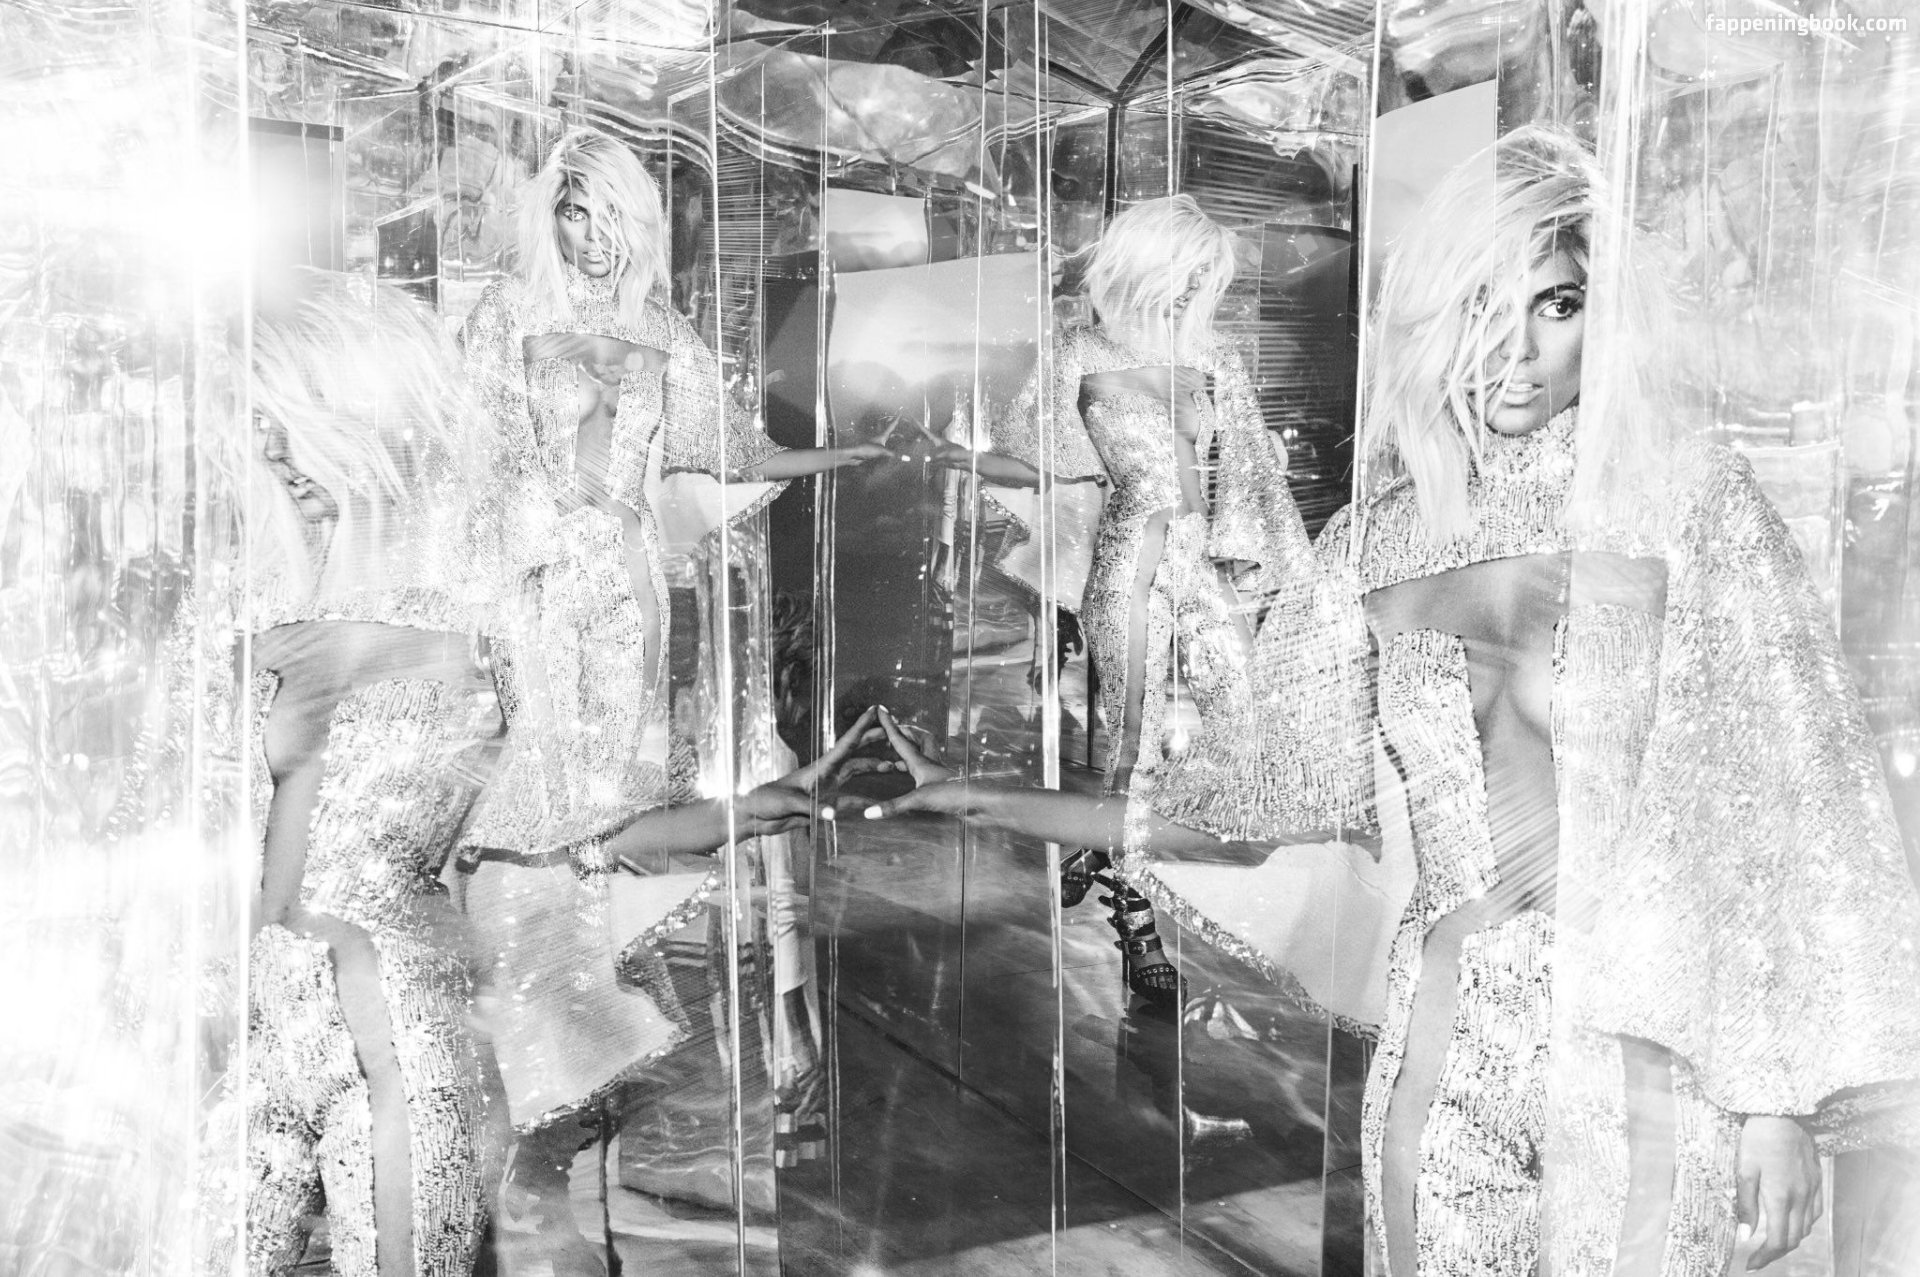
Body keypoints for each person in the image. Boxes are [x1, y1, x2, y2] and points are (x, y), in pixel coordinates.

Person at [871, 127, 1920, 1274]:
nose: (1513, 351)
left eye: (1557, 304)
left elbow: (1784, 802)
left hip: (1649, 1066)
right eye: (1480, 305)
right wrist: (979, 799)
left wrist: (1774, 1099)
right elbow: (1243, 805)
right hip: (1444, 1059)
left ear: (1609, 315)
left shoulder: (1689, 505)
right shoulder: (1377, 540)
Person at [452, 125, 888, 1226]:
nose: (593, 238)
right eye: (575, 213)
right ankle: (543, 1019)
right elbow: (473, 465)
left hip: (637, 590)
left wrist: (841, 457)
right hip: (539, 582)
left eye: (612, 217)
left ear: (640, 225)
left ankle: (602, 1002)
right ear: (550, 215)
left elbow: (727, 450)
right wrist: (493, 581)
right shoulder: (506, 314)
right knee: (538, 783)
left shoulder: (660, 325)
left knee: (617, 785)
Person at [935, 194, 1313, 1002]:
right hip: (1128, 568)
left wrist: (1256, 575)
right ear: (1145, 268)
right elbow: (1042, 462)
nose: (1195, 291)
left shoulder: (1218, 356)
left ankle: (1101, 842)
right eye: (1186, 273)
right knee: (1131, 749)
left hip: (1207, 568)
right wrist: (959, 462)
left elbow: (1251, 471)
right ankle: (1138, 928)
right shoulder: (1078, 351)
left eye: (1206, 277)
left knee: (1245, 734)